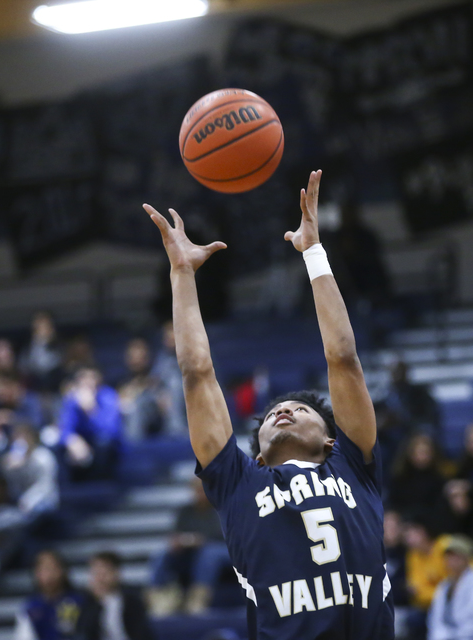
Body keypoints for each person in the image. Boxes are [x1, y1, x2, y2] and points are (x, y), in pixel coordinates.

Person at [143, 170, 394, 639]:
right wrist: (181, 275)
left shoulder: (353, 465)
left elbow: (343, 359)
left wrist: (314, 253)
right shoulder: (238, 481)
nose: (284, 410)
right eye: (272, 415)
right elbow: (197, 374)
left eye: (302, 411)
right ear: (256, 453)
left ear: (330, 438)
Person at [148, 477, 231, 615]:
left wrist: (199, 540)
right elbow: (176, 534)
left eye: (204, 491)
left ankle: (198, 598)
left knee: (209, 553)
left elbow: (222, 536)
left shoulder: (221, 508)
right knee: (163, 553)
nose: (201, 494)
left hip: (223, 550)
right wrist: (177, 542)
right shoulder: (185, 511)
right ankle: (157, 597)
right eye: (197, 491)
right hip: (191, 551)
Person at [58, 366, 122, 482]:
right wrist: (71, 439)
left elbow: (111, 431)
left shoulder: (108, 396)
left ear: (98, 379)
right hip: (82, 444)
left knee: (104, 442)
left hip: (104, 446)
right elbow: (64, 427)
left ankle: (100, 486)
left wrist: (91, 410)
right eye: (83, 377)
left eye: (91, 377)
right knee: (59, 447)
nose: (87, 381)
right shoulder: (72, 399)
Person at [76, 551, 156, 640]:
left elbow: (141, 633)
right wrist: (98, 601)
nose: (100, 578)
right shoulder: (86, 602)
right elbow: (83, 633)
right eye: (96, 573)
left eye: (105, 573)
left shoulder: (133, 600)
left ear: (116, 573)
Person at [14, 549, 83, 640]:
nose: (49, 574)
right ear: (36, 573)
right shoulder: (30, 607)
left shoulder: (80, 601)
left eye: (53, 568)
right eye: (44, 569)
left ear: (63, 570)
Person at [427, 535, 473, 640]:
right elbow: (435, 618)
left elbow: (469, 621)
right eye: (449, 556)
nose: (451, 560)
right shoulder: (444, 585)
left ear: (466, 559)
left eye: (457, 556)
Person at [117, 338, 163, 441]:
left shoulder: (157, 379)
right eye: (132, 356)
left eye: (140, 355)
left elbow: (164, 405)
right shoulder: (122, 383)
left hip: (156, 423)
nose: (136, 360)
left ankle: (134, 448)